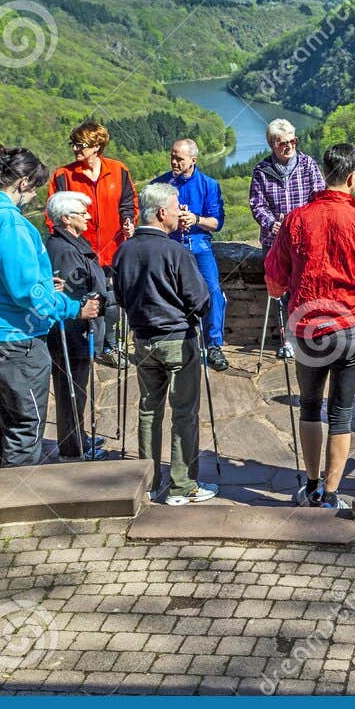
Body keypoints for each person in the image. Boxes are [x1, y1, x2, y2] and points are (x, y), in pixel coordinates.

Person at [265, 143, 355, 508]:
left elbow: (275, 279)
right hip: (351, 326)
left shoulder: (296, 220)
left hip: (306, 326)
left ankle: (311, 483)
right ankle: (333, 494)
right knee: (341, 411)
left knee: (309, 406)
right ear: (352, 178)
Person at [0, 146, 98, 469]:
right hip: (15, 335)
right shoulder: (11, 224)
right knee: (25, 424)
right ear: (22, 183)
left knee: (1, 417)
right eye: (34, 188)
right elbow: (27, 293)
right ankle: (19, 506)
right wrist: (71, 307)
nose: (34, 196)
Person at [111, 183, 219, 505]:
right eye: (175, 209)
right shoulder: (176, 252)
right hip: (177, 341)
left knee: (148, 410)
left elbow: (120, 298)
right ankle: (182, 487)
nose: (178, 214)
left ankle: (148, 480)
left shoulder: (123, 252)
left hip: (143, 341)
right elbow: (201, 302)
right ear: (161, 213)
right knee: (183, 413)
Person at [47, 120, 138, 363]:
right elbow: (52, 215)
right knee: (81, 299)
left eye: (80, 145)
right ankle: (84, 349)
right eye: (73, 145)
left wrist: (129, 220)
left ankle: (108, 346)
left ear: (97, 146)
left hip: (113, 250)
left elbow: (128, 203)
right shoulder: (63, 176)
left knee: (111, 299)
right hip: (78, 255)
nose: (75, 150)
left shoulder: (118, 170)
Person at [45, 191, 115, 463]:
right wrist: (102, 294)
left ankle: (78, 437)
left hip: (78, 330)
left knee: (77, 389)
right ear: (66, 218)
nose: (88, 217)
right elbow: (73, 294)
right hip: (71, 332)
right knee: (71, 390)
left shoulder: (71, 243)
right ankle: (73, 447)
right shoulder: (63, 250)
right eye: (82, 213)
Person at [151, 139, 230, 371]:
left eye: (179, 159)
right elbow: (149, 220)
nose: (174, 162)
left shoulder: (209, 185)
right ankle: (168, 343)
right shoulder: (159, 185)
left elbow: (216, 223)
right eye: (172, 157)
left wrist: (195, 219)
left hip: (198, 245)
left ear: (193, 160)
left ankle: (213, 345)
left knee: (213, 291)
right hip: (168, 245)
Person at [249, 119, 323, 359]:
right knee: (279, 292)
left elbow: (320, 197)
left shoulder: (308, 164)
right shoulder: (261, 170)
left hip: (304, 241)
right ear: (272, 144)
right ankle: (287, 340)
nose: (290, 146)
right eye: (283, 143)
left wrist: (304, 223)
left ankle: (307, 335)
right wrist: (272, 224)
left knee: (305, 289)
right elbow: (256, 204)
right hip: (275, 243)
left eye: (293, 141)